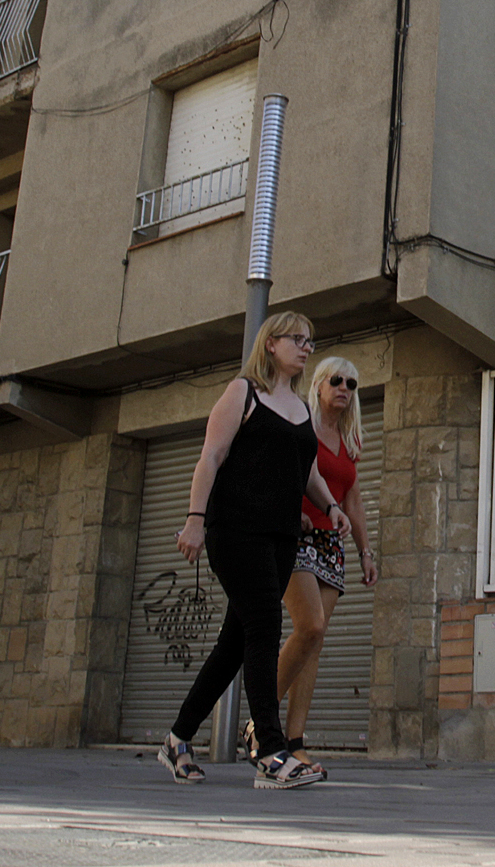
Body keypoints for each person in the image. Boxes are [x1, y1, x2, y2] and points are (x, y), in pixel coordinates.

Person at [158, 312, 351, 791]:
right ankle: (269, 749)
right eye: (297, 340)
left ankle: (177, 740)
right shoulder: (242, 393)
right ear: (270, 344)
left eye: (310, 341)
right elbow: (211, 456)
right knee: (266, 625)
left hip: (282, 535)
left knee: (232, 647)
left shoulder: (301, 409)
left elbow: (307, 471)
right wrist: (195, 520)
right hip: (235, 529)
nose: (306, 348)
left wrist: (331, 506)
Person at [270, 355, 377, 773]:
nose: (344, 389)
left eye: (351, 384)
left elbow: (352, 498)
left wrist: (367, 552)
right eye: (336, 380)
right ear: (317, 385)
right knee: (308, 626)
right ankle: (263, 722)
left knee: (314, 644)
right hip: (295, 536)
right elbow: (281, 474)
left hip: (332, 543)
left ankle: (294, 741)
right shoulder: (301, 427)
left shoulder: (351, 441)